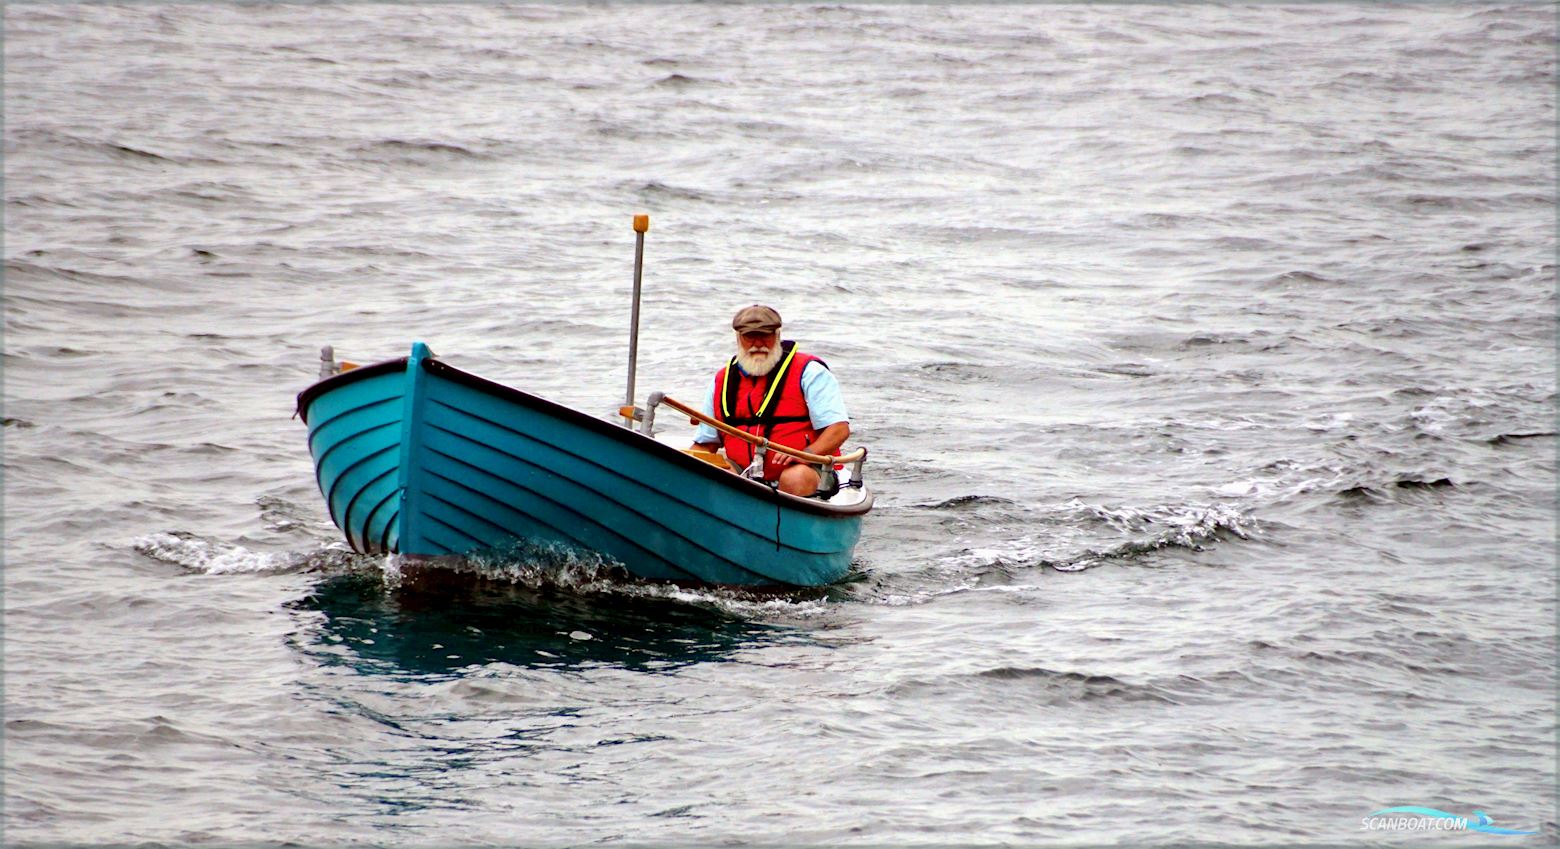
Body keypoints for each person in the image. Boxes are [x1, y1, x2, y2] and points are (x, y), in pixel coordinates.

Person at [689, 305, 851, 497]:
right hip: (741, 473)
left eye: (765, 335)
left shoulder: (810, 372)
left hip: (807, 472)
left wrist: (805, 454)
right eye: (750, 336)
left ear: (777, 335)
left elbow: (839, 430)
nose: (758, 343)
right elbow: (705, 445)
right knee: (711, 473)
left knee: (795, 478)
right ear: (738, 338)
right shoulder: (722, 380)